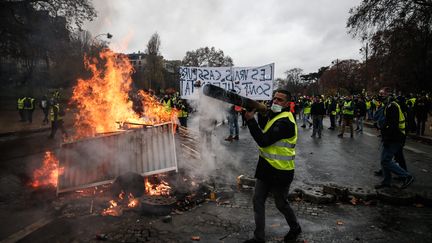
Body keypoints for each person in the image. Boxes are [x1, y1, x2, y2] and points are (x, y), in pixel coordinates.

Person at [243, 89, 301, 243]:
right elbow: (265, 125)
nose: (275, 102)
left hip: (281, 171)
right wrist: (260, 114)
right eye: (274, 98)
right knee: (258, 200)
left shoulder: (286, 122)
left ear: (288, 103)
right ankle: (259, 237)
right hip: (266, 168)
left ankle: (295, 227)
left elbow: (263, 140)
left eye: (280, 100)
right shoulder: (276, 115)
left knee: (281, 204)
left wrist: (250, 120)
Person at [375, 91, 414, 189]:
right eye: (380, 93)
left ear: (389, 95)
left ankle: (406, 176)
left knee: (385, 160)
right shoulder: (388, 105)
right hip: (392, 137)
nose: (380, 96)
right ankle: (386, 181)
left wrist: (387, 138)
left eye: (383, 94)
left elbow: (393, 124)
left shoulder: (392, 106)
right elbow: (386, 121)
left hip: (395, 138)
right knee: (384, 160)